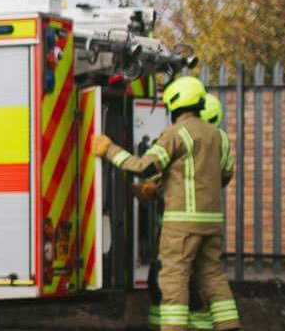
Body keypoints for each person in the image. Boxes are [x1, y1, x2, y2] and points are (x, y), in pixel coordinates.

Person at [93, 78, 239, 331]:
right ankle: (229, 325)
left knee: (173, 279)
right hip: (212, 223)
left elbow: (145, 166)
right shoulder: (219, 137)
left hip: (181, 225)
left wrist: (110, 150)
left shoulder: (175, 134)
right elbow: (224, 177)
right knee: (212, 275)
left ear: (174, 103)